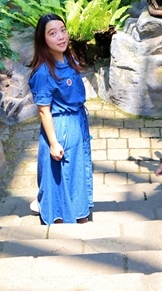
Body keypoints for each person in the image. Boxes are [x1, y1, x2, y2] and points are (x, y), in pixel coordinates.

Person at [28, 13, 94, 224]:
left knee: (76, 171)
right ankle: (59, 217)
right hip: (60, 125)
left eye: (63, 30)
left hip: (76, 121)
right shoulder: (44, 72)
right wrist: (54, 142)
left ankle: (78, 211)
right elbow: (43, 111)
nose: (61, 36)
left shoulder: (69, 57)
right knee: (61, 174)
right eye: (53, 33)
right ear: (43, 39)